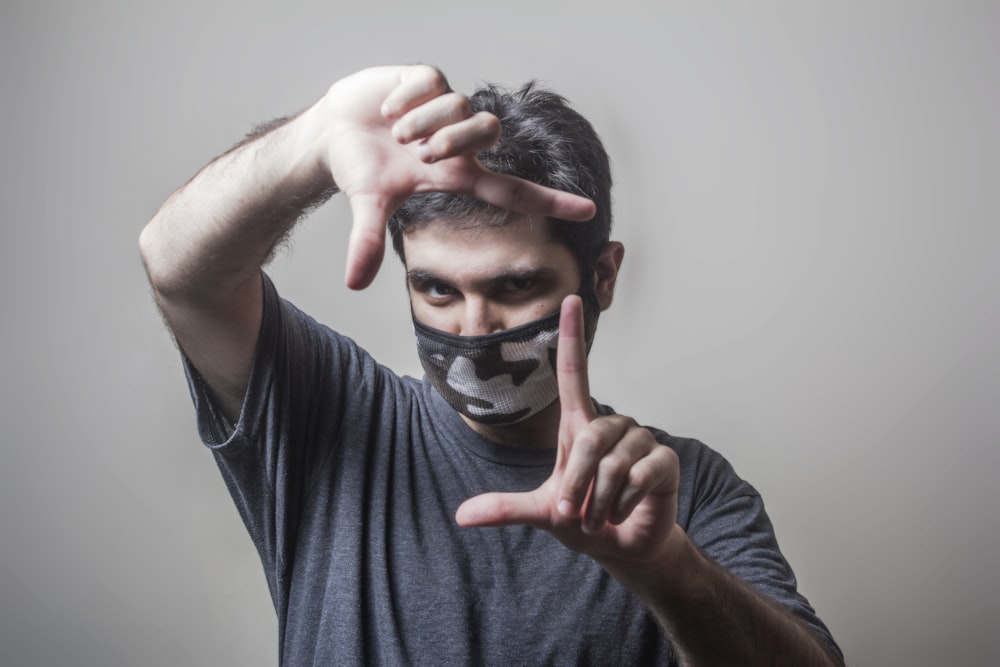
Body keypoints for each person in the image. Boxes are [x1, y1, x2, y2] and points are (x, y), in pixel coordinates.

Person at [140, 65, 844, 666]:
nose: (473, 331)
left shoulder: (679, 494)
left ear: (602, 276)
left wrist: (669, 571)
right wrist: (314, 140)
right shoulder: (334, 417)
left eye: (515, 286)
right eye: (437, 288)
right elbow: (178, 269)